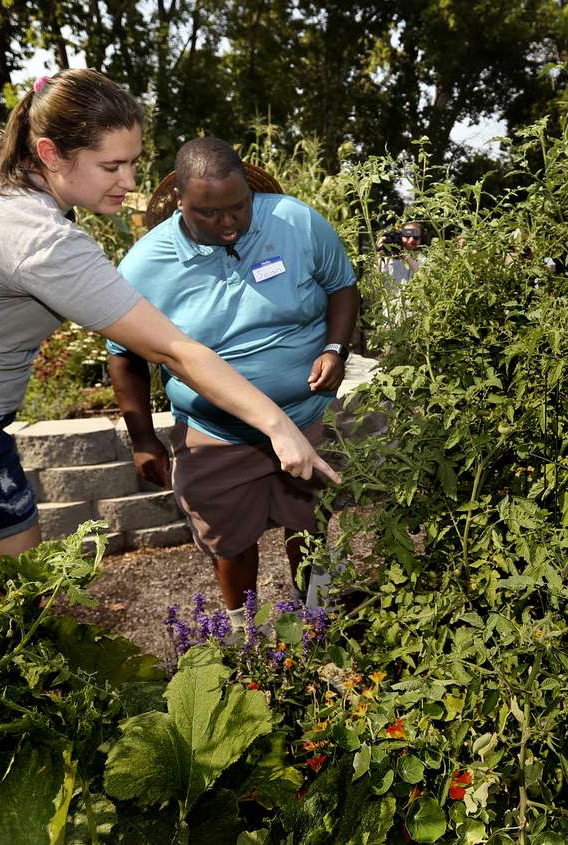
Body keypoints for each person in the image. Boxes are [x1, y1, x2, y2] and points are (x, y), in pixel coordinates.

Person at [0, 70, 338, 608]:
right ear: (49, 152)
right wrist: (278, 426)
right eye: (112, 166)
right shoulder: (40, 242)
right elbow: (171, 351)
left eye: (134, 161)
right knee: (18, 602)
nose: (132, 182)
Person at [106, 137, 359, 623]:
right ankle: (247, 638)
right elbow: (125, 357)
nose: (228, 224)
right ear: (179, 201)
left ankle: (318, 622)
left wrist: (335, 348)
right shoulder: (144, 265)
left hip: (303, 415)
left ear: (249, 190)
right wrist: (142, 438)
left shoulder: (295, 221)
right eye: (208, 213)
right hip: (215, 435)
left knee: (309, 528)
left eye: (238, 207)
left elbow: (341, 286)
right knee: (231, 542)